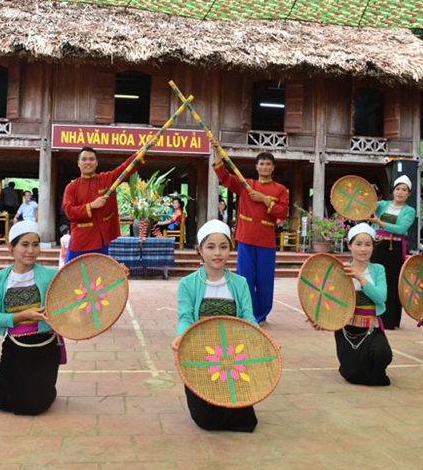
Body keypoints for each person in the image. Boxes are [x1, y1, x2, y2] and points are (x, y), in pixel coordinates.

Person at [171, 219, 259, 432]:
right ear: (199, 250)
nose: (217, 253)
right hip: (201, 356)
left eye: (223, 246)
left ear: (231, 249)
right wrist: (181, 335)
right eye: (210, 247)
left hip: (232, 356)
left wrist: (260, 337)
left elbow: (248, 316)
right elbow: (186, 317)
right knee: (207, 420)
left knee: (246, 422)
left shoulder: (240, 283)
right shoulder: (188, 284)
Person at [210, 138, 289, 326]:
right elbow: (224, 177)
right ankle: (248, 313)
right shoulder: (246, 184)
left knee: (264, 281)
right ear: (256, 167)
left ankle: (261, 315)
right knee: (245, 279)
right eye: (261, 163)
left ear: (273, 168)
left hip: (266, 240)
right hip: (245, 238)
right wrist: (217, 151)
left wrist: (265, 199)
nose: (264, 167)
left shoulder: (280, 190)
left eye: (268, 164)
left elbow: (283, 212)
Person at [0, 221, 61, 415]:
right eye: (24, 244)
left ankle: (46, 388)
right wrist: (23, 315)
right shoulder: (0, 278)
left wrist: (114, 274)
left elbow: (80, 288)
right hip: (14, 346)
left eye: (35, 244)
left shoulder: (50, 275)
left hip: (44, 346)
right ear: (10, 247)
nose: (31, 250)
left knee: (31, 406)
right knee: (2, 402)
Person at [61, 142, 156, 262]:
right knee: (73, 277)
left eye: (91, 159)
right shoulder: (72, 187)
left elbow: (125, 169)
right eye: (84, 159)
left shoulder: (106, 179)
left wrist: (140, 152)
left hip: (101, 241)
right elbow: (69, 212)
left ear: (96, 163)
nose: (88, 162)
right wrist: (91, 206)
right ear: (78, 163)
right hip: (80, 241)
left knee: (100, 278)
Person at [327, 223, 391, 386]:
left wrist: (360, 278)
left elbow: (381, 297)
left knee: (382, 354)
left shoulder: (378, 270)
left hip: (371, 328)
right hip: (347, 330)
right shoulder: (341, 270)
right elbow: (331, 302)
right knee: (354, 375)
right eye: (358, 244)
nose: (363, 249)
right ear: (349, 245)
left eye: (368, 244)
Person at [368, 175, 416, 330]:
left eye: (404, 190)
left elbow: (401, 229)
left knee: (393, 282)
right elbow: (366, 206)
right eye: (398, 189)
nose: (400, 192)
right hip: (378, 246)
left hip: (394, 249)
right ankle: (374, 317)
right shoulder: (382, 205)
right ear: (393, 191)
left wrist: (379, 223)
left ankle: (391, 320)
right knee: (376, 281)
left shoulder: (409, 211)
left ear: (409, 194)